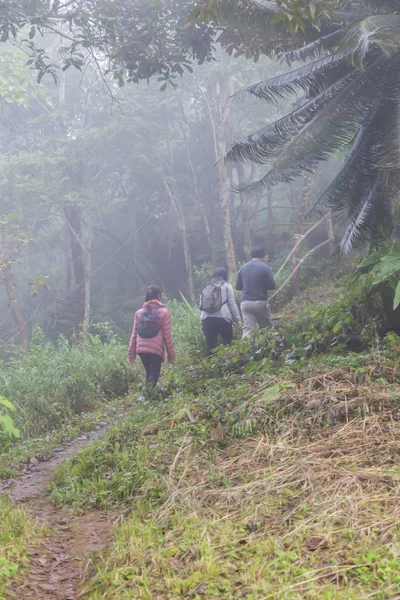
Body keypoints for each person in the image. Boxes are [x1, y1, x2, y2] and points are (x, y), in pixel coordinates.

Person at [128, 285, 175, 395]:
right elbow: (167, 336)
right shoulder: (164, 312)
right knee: (154, 374)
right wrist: (171, 355)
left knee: (149, 372)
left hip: (141, 349)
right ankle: (145, 396)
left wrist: (131, 354)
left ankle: (147, 397)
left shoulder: (139, 313)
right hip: (155, 349)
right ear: (159, 296)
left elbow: (133, 335)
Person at [200, 267, 242, 355]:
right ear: (224, 275)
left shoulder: (206, 286)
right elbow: (231, 303)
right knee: (229, 343)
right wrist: (238, 319)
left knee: (210, 345)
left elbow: (201, 305)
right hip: (223, 317)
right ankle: (229, 364)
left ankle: (208, 366)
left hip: (206, 318)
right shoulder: (226, 286)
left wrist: (201, 322)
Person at [235, 246, 276, 338]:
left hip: (246, 303)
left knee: (248, 330)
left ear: (251, 255)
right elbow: (272, 286)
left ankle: (245, 350)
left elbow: (237, 286)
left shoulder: (243, 268)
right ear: (263, 256)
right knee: (265, 328)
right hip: (261, 302)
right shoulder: (265, 267)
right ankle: (267, 349)